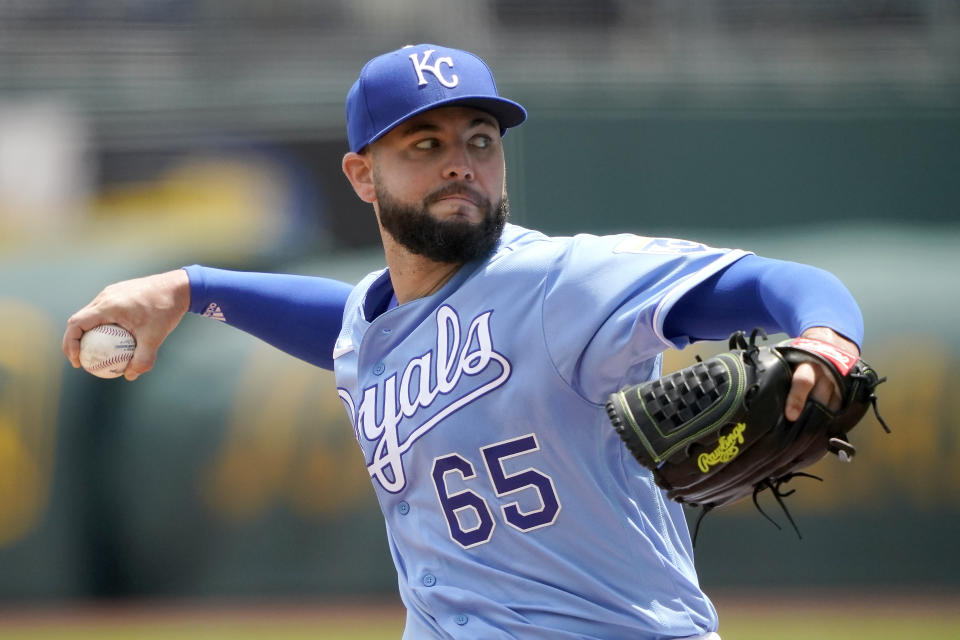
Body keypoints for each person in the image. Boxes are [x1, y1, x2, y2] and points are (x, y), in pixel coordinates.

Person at [63, 44, 863, 639]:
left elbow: (772, 283)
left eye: (480, 140)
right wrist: (191, 287)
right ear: (361, 175)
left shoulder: (563, 282)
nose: (461, 165)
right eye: (425, 145)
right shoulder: (371, 328)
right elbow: (345, 323)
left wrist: (828, 339)